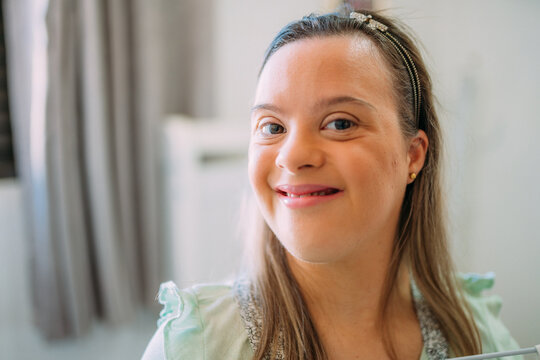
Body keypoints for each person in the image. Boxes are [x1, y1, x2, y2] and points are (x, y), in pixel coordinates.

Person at [142, 9, 520, 360]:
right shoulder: (193, 347)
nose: (292, 157)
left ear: (414, 154)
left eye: (340, 123)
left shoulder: (478, 334)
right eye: (272, 127)